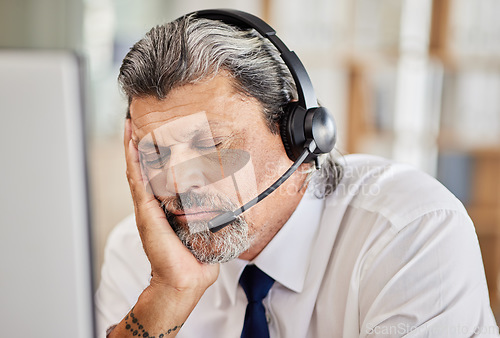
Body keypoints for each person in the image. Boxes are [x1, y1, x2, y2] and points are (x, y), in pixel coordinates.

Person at [95, 10, 499, 338]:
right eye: (156, 154)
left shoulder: (412, 229)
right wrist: (168, 293)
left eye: (210, 145)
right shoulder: (138, 254)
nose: (180, 184)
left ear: (298, 131)